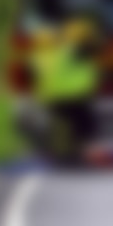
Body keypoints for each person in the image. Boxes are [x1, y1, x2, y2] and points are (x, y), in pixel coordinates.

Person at [27, 16, 102, 165]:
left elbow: (34, 80)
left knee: (61, 126)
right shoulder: (68, 52)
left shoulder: (36, 58)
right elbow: (92, 48)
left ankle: (61, 155)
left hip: (52, 98)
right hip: (75, 95)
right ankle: (82, 153)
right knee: (85, 125)